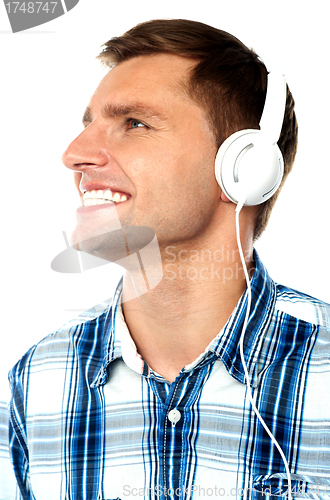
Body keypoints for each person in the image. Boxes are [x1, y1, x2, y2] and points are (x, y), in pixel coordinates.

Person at [2, 18, 330, 500]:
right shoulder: (38, 382)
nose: (75, 154)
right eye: (88, 124)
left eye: (134, 123)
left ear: (243, 168)